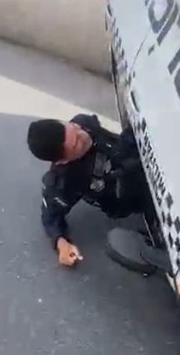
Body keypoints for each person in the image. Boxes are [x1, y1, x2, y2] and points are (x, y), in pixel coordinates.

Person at [26, 113, 154, 267]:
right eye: (76, 144)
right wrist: (62, 244)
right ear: (63, 161)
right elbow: (50, 217)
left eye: (74, 128)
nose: (83, 135)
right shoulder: (65, 181)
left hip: (132, 152)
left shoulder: (84, 123)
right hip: (127, 194)